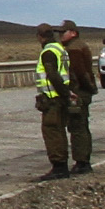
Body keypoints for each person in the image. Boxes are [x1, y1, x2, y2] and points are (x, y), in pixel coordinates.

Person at [36, 21, 96, 177]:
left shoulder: (73, 49)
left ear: (73, 33)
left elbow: (78, 73)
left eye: (64, 32)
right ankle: (81, 162)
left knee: (74, 127)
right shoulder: (63, 49)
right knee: (76, 127)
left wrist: (72, 92)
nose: (61, 35)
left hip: (69, 94)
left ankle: (79, 163)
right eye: (59, 32)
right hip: (72, 93)